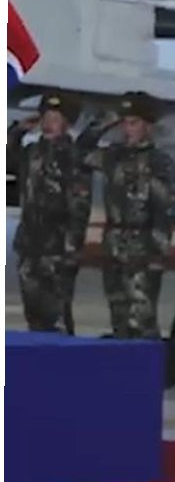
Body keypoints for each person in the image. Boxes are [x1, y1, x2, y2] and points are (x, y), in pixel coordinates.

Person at [87, 91, 175, 338]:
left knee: (141, 317)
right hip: (114, 243)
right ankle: (121, 360)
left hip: (143, 246)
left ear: (148, 126)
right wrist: (104, 123)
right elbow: (80, 152)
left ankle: (147, 361)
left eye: (134, 123)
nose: (128, 129)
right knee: (118, 314)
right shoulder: (112, 157)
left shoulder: (160, 163)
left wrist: (158, 254)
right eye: (125, 123)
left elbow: (164, 211)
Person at [9, 93, 94, 333]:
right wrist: (17, 131)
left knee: (57, 316)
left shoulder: (75, 157)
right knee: (33, 314)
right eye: (45, 117)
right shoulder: (32, 152)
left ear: (67, 123)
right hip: (29, 246)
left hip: (57, 250)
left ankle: (63, 356)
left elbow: (79, 209)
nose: (48, 124)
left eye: (55, 118)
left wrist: (71, 251)